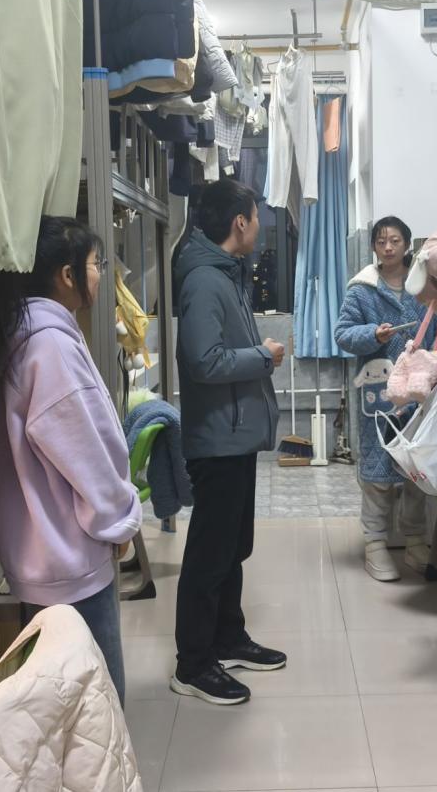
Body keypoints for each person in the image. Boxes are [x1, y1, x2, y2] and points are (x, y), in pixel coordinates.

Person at [0, 216, 143, 705]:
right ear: (67, 275)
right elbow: (85, 454)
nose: (101, 274)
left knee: (59, 708)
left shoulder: (29, 335)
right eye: (97, 264)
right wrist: (118, 523)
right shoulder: (50, 346)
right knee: (96, 709)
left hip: (43, 554)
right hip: (70, 563)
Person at [172, 179, 287, 705]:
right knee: (209, 555)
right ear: (240, 222)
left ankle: (227, 638)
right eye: (256, 216)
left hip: (233, 435)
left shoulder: (227, 273)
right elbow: (204, 361)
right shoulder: (204, 280)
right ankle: (193, 664)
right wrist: (264, 356)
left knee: (232, 548)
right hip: (217, 439)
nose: (260, 224)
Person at [334, 216, 437, 581]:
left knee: (416, 469)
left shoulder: (424, 285)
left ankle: (415, 540)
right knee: (378, 473)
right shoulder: (361, 289)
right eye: (381, 241)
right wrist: (372, 334)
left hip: (420, 392)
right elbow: (343, 334)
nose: (388, 247)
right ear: (374, 247)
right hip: (378, 394)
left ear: (407, 244)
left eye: (395, 240)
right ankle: (375, 543)